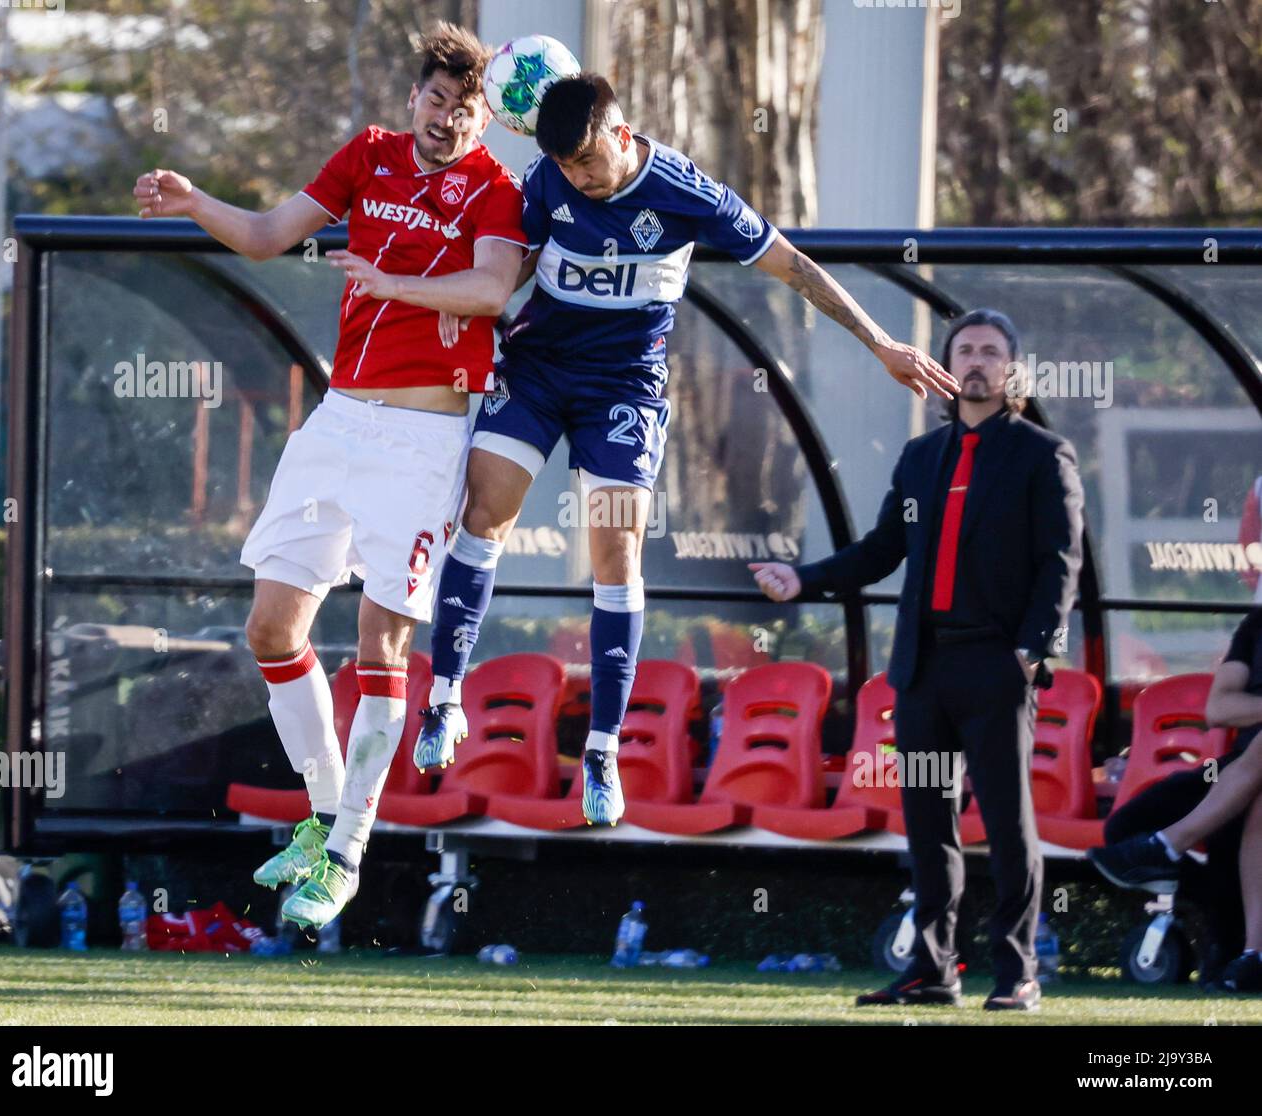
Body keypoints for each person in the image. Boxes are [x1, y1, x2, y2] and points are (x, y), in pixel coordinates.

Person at [416, 73, 959, 828]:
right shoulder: (546, 180)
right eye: (565, 168)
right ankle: (444, 701)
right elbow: (506, 268)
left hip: (623, 392)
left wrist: (880, 343)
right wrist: (462, 309)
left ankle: (602, 749)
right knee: (485, 514)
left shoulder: (685, 192)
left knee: (617, 550)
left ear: (620, 132)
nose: (578, 178)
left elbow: (793, 266)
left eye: (586, 163)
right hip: (538, 373)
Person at [133, 23, 527, 929]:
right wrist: (196, 201)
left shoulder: (495, 191)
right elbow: (271, 235)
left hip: (426, 439)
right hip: (339, 420)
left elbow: (491, 292)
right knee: (272, 627)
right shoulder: (370, 156)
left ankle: (348, 846)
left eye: (466, 110)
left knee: (382, 647)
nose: (447, 119)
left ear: (483, 122)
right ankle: (321, 817)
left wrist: (389, 283)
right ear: (412, 100)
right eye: (436, 101)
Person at [751, 308, 1084, 1011]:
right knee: (929, 824)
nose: (977, 363)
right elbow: (879, 553)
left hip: (996, 670)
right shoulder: (921, 458)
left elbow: (1061, 562)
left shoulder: (1042, 454)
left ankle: (1017, 972)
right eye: (965, 350)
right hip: (923, 671)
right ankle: (933, 971)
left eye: (992, 352)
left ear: (1013, 371)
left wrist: (1033, 651)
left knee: (1006, 823)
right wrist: (802, 579)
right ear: (944, 365)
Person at [1089, 608, 1262, 992]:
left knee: (1232, 826)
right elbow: (1219, 709)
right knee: (1125, 827)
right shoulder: (1256, 625)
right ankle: (1193, 883)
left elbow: (1234, 707)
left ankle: (1239, 951)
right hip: (1230, 770)